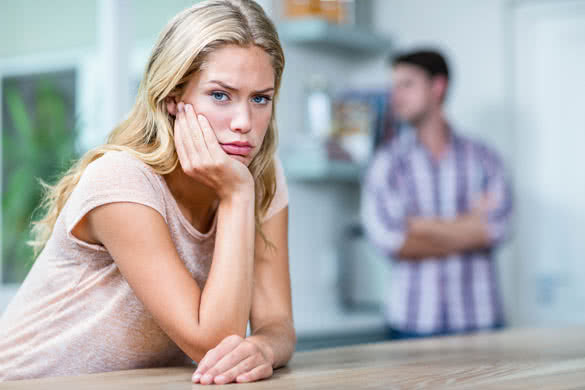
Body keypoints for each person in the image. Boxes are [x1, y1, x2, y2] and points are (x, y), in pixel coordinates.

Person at [0, 0, 295, 384]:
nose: (244, 123)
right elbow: (212, 344)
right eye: (221, 95)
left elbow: (278, 323)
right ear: (172, 97)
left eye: (260, 98)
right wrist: (236, 197)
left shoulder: (262, 175)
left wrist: (263, 349)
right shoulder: (121, 180)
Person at [362, 49, 513, 340]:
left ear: (437, 87)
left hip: (481, 324)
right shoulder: (387, 163)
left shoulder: (485, 158)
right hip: (411, 325)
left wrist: (418, 226)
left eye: (407, 85)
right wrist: (470, 229)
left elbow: (500, 229)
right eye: (394, 86)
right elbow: (390, 240)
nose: (396, 96)